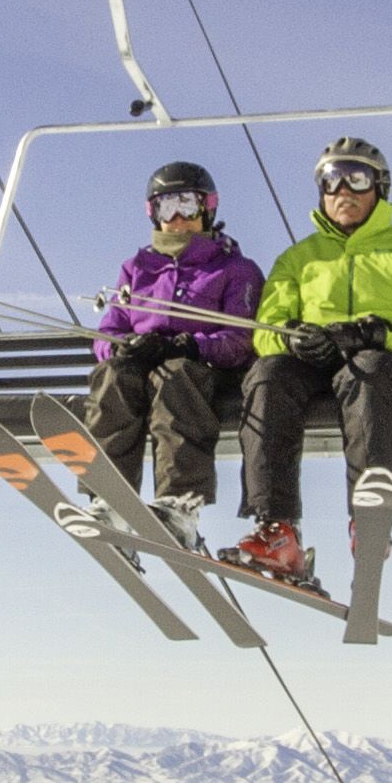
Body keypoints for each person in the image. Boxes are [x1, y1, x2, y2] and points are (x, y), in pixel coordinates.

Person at [229, 134, 392, 589]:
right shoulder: (299, 259)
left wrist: (383, 333)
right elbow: (266, 329)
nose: (343, 192)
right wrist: (294, 340)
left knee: (370, 370)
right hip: (314, 363)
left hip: (381, 363)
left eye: (356, 179)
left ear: (380, 187)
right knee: (267, 376)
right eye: (331, 181)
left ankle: (369, 517)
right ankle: (277, 530)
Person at [83, 159, 258, 536]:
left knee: (176, 375)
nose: (177, 218)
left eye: (188, 206)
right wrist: (123, 348)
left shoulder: (234, 269)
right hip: (143, 374)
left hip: (203, 375)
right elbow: (108, 331)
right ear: (153, 213)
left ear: (207, 209)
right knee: (113, 376)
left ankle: (181, 501)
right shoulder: (137, 268)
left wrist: (192, 346)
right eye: (166, 207)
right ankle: (109, 498)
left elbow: (240, 338)